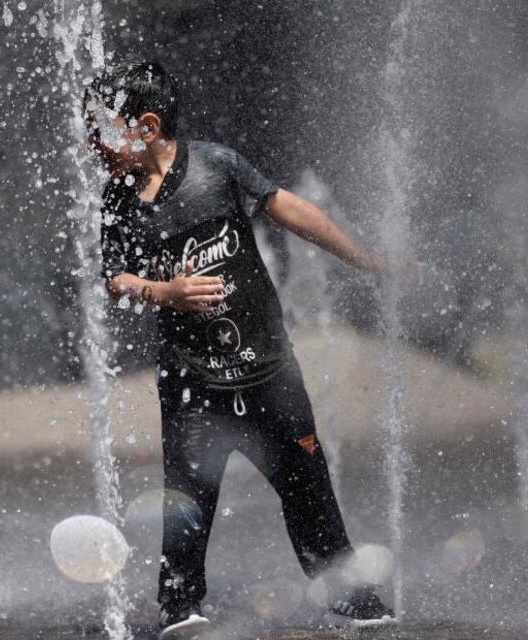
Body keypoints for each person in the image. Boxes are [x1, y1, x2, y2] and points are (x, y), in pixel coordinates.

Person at [84, 60, 396, 639]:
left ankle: (349, 596)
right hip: (191, 380)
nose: (91, 144)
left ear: (146, 126)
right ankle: (180, 607)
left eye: (99, 129)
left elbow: (291, 209)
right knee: (187, 497)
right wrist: (163, 291)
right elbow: (115, 281)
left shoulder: (217, 166)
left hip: (269, 370)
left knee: (308, 489)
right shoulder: (120, 200)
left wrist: (367, 261)